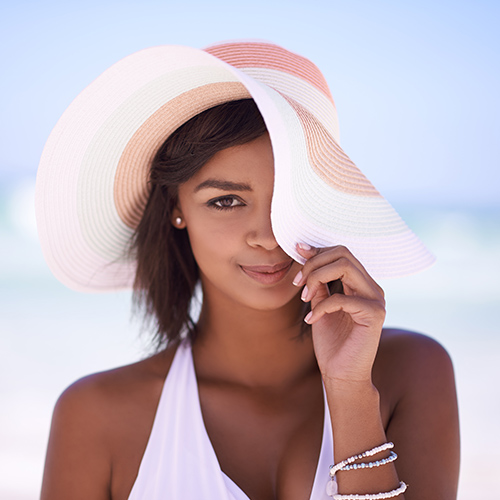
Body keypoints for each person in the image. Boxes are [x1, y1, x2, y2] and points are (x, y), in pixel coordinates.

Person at [37, 41, 459, 500]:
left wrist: (350, 391)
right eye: (226, 201)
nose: (267, 234)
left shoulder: (410, 371)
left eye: (288, 198)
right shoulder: (96, 417)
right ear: (176, 209)